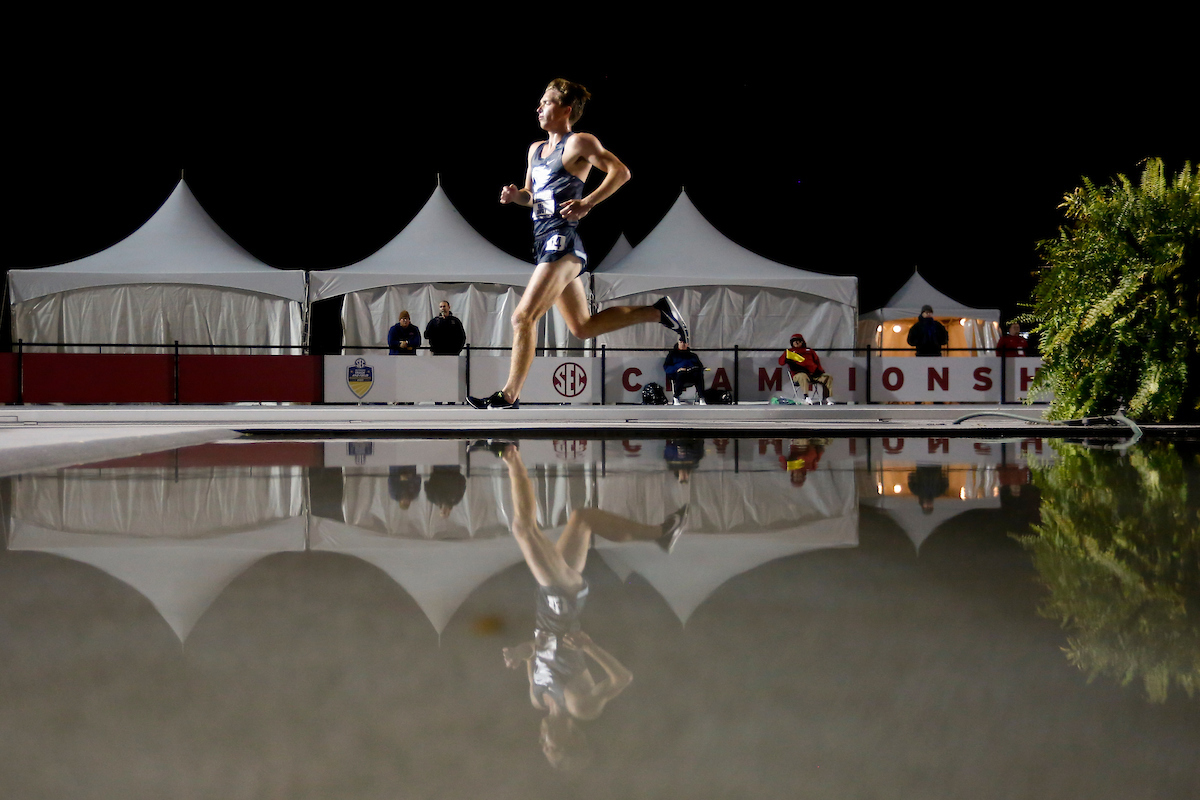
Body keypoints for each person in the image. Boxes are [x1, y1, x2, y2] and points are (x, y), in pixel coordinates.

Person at [467, 78, 689, 410]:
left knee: (522, 317)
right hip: (542, 242)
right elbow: (533, 195)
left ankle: (509, 395)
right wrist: (517, 197)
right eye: (540, 102)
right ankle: (657, 312)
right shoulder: (534, 150)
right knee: (583, 328)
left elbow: (621, 172)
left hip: (564, 242)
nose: (538, 107)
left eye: (546, 102)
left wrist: (589, 202)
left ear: (565, 109)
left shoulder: (579, 143)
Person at [779, 333, 833, 404]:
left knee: (828, 377)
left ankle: (826, 398)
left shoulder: (809, 351)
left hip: (813, 375)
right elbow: (781, 362)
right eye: (794, 341)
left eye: (798, 340)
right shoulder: (789, 352)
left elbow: (817, 362)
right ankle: (806, 397)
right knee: (802, 376)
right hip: (798, 375)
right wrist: (786, 357)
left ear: (802, 342)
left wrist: (820, 371)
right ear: (792, 343)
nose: (796, 342)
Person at [663, 341, 706, 405]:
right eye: (681, 342)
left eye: (684, 343)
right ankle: (676, 396)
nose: (683, 344)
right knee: (681, 373)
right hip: (678, 374)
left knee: (698, 374)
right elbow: (666, 367)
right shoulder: (672, 355)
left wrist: (696, 368)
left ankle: (701, 397)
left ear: (687, 345)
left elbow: (700, 366)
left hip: (691, 374)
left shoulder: (693, 355)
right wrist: (677, 369)